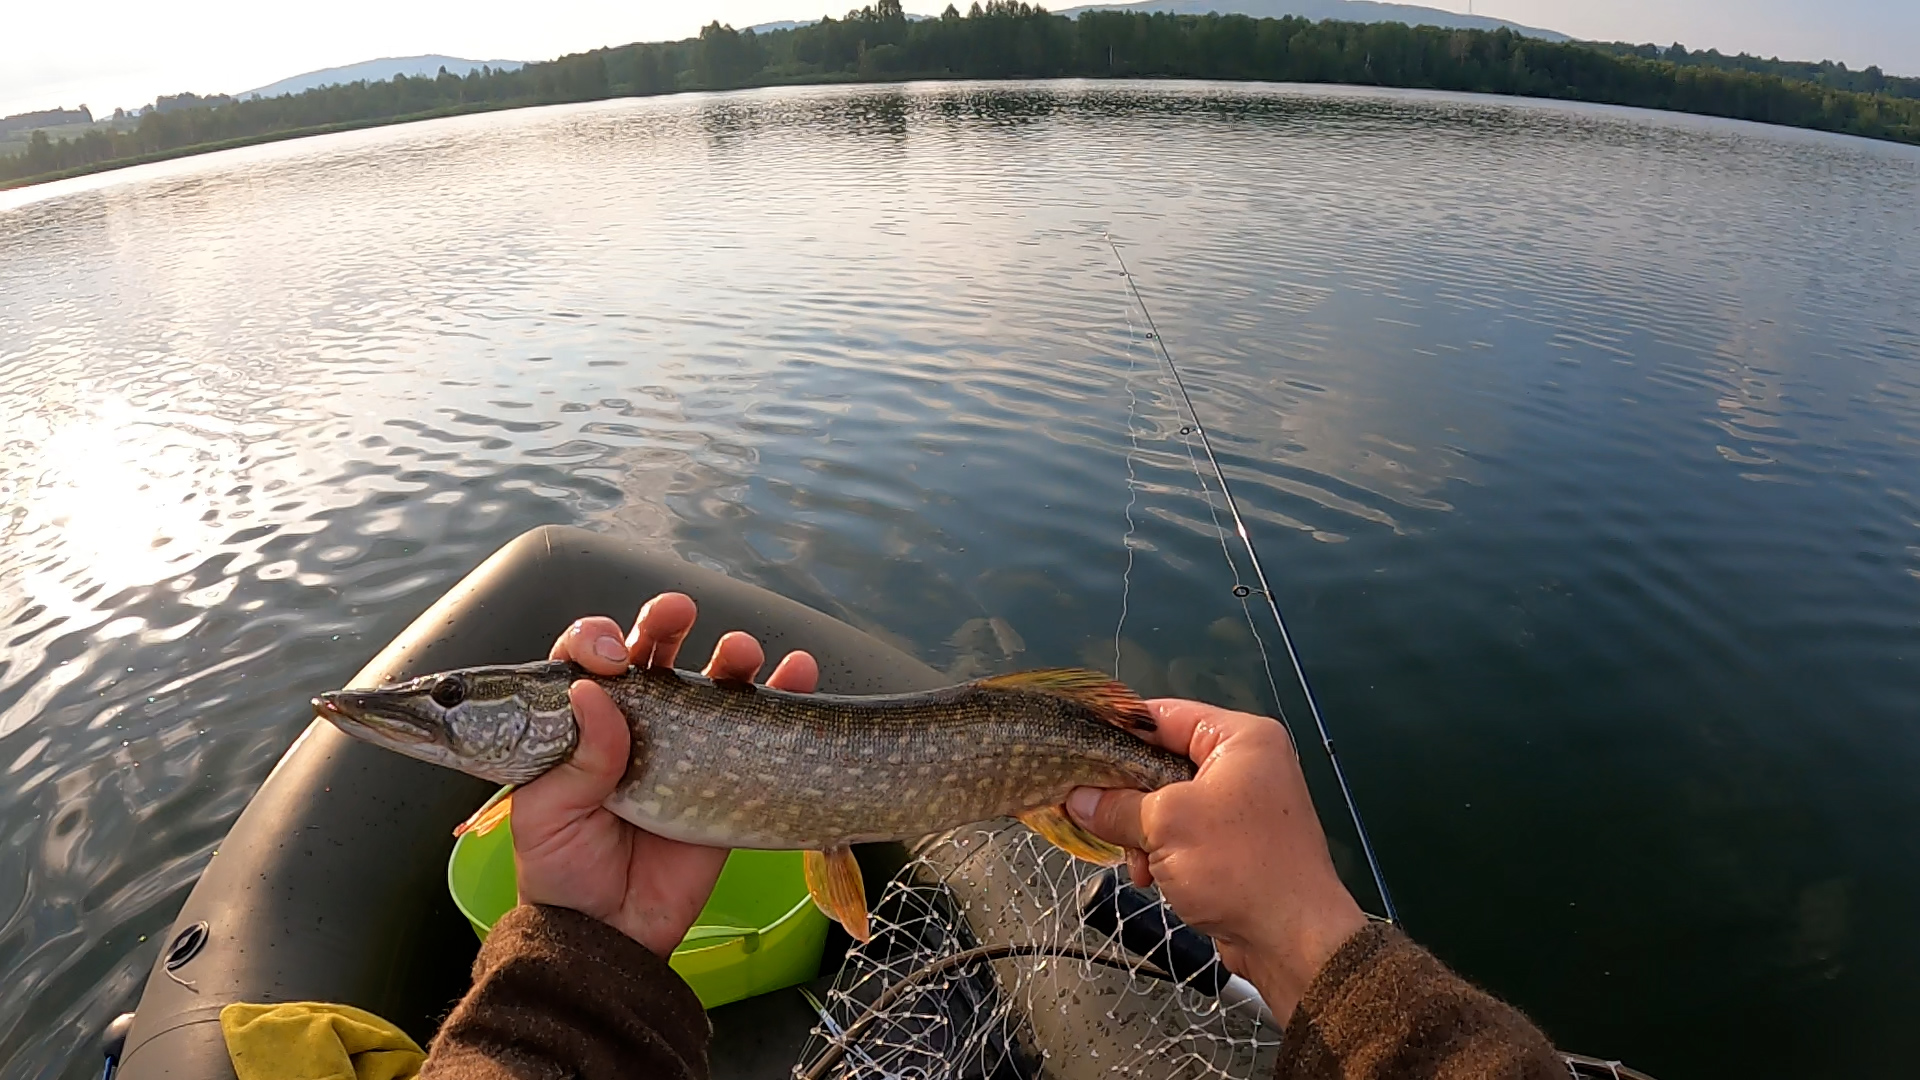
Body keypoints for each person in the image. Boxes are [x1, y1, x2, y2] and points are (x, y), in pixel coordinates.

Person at [421, 594, 1569, 1080]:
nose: (438, 710)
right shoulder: (586, 757)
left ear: (514, 703)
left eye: (451, 699)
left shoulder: (580, 723)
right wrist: (592, 940)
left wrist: (1304, 930)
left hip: (1023, 751)